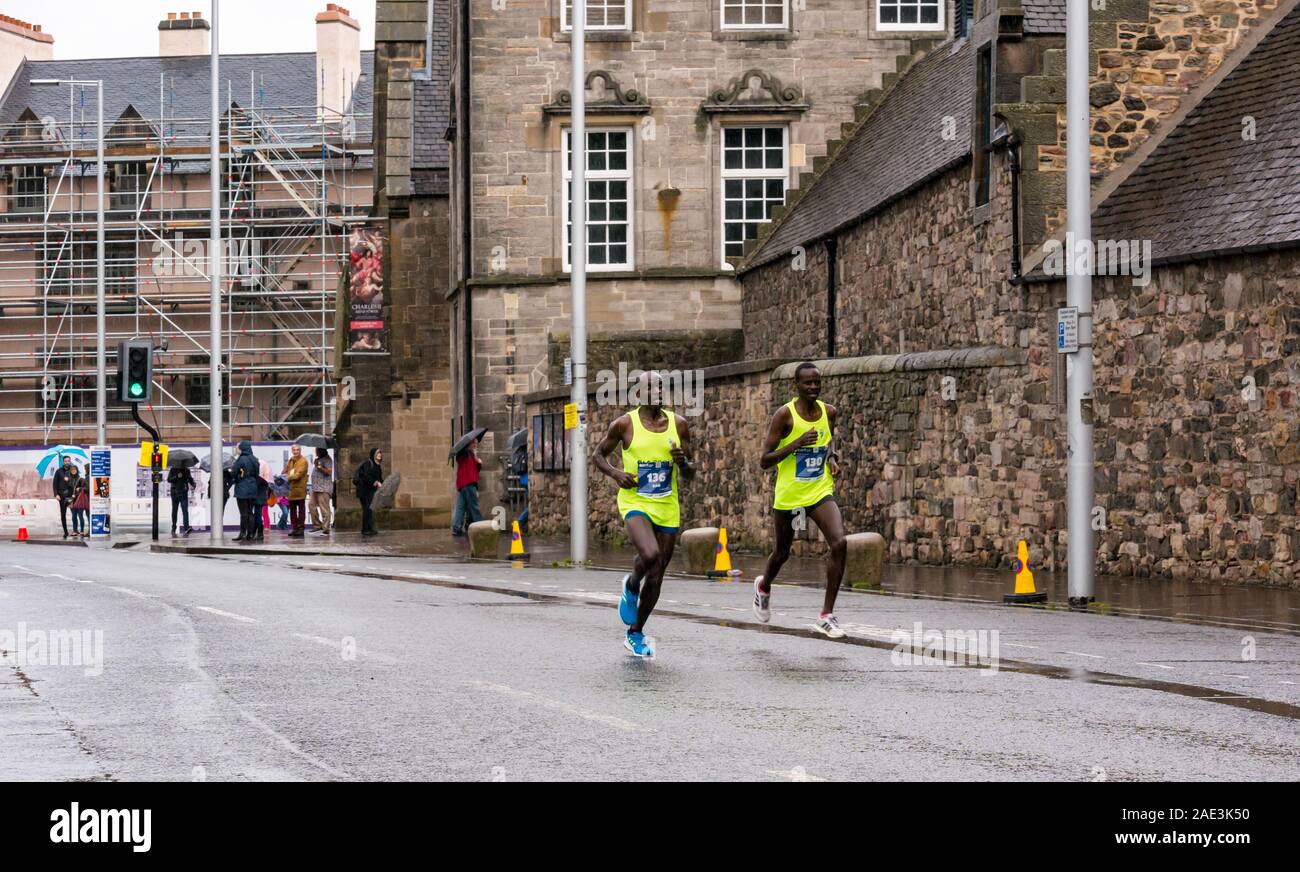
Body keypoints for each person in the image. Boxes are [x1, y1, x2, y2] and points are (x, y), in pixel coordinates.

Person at [593, 372, 694, 658]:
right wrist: (616, 473)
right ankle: (631, 582)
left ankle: (635, 632)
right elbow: (598, 455)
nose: (658, 391)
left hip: (667, 505)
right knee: (650, 556)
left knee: (658, 574)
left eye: (661, 386)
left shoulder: (679, 425)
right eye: (651, 387)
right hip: (635, 500)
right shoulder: (625, 424)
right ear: (638, 394)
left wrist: (683, 462)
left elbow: (691, 472)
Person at [754, 362, 848, 639]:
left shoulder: (829, 412)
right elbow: (764, 460)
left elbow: (829, 441)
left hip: (819, 490)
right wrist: (796, 444)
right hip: (790, 495)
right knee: (782, 553)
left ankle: (826, 615)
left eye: (817, 383)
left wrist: (832, 459)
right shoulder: (785, 415)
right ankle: (764, 586)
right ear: (796, 386)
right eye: (808, 383)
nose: (813, 388)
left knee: (840, 543)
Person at [451, 438, 483, 537]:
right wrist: (477, 461)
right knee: (474, 507)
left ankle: (456, 528)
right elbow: (472, 470)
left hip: (463, 484)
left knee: (460, 507)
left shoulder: (470, 454)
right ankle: (481, 528)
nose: (475, 445)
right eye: (474, 443)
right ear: (469, 443)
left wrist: (479, 462)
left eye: (476, 443)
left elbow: (475, 469)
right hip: (468, 483)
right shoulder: (464, 453)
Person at [232, 441, 260, 542]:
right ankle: (251, 534)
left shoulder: (240, 459)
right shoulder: (254, 459)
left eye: (237, 447)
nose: (236, 449)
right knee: (250, 512)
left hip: (242, 489)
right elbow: (257, 474)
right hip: (252, 488)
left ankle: (242, 533)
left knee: (243, 513)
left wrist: (238, 478)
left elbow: (234, 472)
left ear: (242, 448)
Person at [353, 448, 383, 536]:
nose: (380, 455)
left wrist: (382, 484)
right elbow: (365, 476)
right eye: (377, 453)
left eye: (380, 453)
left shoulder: (378, 466)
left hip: (371, 491)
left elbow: (380, 478)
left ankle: (369, 528)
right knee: (367, 509)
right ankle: (365, 529)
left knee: (369, 510)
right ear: (373, 455)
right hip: (364, 490)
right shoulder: (368, 463)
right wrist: (375, 482)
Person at [282, 445, 308, 538]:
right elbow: (287, 470)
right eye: (294, 450)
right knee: (292, 511)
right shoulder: (291, 460)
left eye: (297, 450)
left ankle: (301, 528)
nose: (295, 451)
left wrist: (287, 477)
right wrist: (283, 473)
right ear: (292, 451)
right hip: (291, 490)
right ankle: (294, 528)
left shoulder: (303, 461)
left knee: (301, 510)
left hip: (300, 489)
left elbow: (298, 475)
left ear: (300, 450)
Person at [52, 455, 77, 539]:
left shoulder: (73, 470)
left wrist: (69, 479)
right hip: (62, 496)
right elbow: (54, 484)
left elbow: (77, 481)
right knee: (63, 514)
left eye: (68, 461)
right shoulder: (59, 471)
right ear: (63, 462)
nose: (67, 462)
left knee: (74, 514)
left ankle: (75, 530)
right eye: (65, 461)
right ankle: (65, 532)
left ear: (70, 461)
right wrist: (56, 494)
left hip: (71, 496)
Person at [310, 448, 333, 534]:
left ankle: (326, 527)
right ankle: (317, 525)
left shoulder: (328, 459)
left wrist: (319, 467)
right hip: (315, 487)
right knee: (311, 506)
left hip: (323, 488)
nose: (316, 451)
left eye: (317, 450)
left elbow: (329, 472)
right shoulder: (318, 459)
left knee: (324, 508)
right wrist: (316, 464)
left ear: (322, 450)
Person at [168, 463, 195, 535]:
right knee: (174, 510)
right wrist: (177, 476)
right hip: (174, 493)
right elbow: (169, 479)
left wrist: (193, 484)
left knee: (185, 510)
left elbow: (190, 479)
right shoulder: (173, 469)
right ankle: (173, 528)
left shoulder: (186, 470)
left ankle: (186, 528)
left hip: (183, 492)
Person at [70, 469, 88, 538]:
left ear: (77, 470)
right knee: (74, 516)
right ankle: (75, 531)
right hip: (73, 500)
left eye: (74, 470)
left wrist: (79, 488)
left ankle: (82, 531)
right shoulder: (69, 480)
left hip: (79, 499)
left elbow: (85, 488)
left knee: (80, 515)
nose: (73, 471)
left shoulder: (81, 479)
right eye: (72, 470)